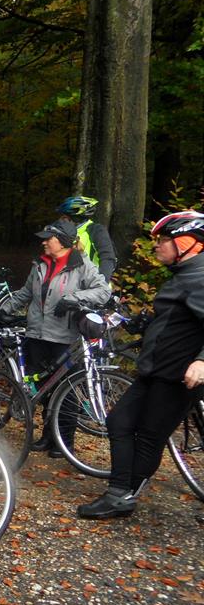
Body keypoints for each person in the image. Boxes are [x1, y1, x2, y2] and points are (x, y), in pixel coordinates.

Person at [77, 211, 204, 519]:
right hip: (155, 370)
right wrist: (141, 324)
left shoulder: (200, 278)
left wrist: (202, 361)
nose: (156, 246)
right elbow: (175, 322)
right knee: (118, 422)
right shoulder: (182, 276)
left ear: (187, 243)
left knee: (149, 436)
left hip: (176, 376)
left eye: (164, 240)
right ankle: (120, 492)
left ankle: (122, 495)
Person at [0, 219, 110, 457]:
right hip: (37, 334)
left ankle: (64, 443)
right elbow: (25, 293)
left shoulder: (82, 264)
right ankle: (49, 437)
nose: (44, 242)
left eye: (49, 238)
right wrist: (4, 309)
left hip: (64, 337)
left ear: (63, 241)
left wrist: (74, 299)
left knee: (66, 392)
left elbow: (103, 292)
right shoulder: (40, 264)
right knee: (44, 389)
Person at [57, 196, 117, 281]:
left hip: (92, 284)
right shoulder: (62, 233)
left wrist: (101, 283)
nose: (61, 220)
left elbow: (108, 258)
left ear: (75, 217)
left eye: (64, 217)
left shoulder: (96, 230)